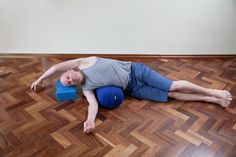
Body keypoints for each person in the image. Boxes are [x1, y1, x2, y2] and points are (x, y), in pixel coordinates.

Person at [31, 56, 232, 133]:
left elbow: (56, 66)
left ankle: (212, 91)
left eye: (67, 77)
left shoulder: (86, 61)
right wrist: (90, 121)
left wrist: (40, 79)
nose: (70, 79)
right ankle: (210, 99)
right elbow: (93, 105)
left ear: (69, 70)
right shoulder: (86, 89)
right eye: (68, 83)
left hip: (137, 71)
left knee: (172, 87)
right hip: (131, 88)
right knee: (170, 96)